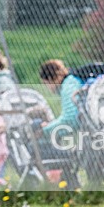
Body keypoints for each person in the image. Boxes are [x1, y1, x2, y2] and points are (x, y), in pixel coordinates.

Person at [38, 59, 83, 187]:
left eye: (46, 83)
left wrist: (46, 130)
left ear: (52, 79)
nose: (47, 88)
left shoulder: (68, 86)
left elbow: (70, 119)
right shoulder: (73, 81)